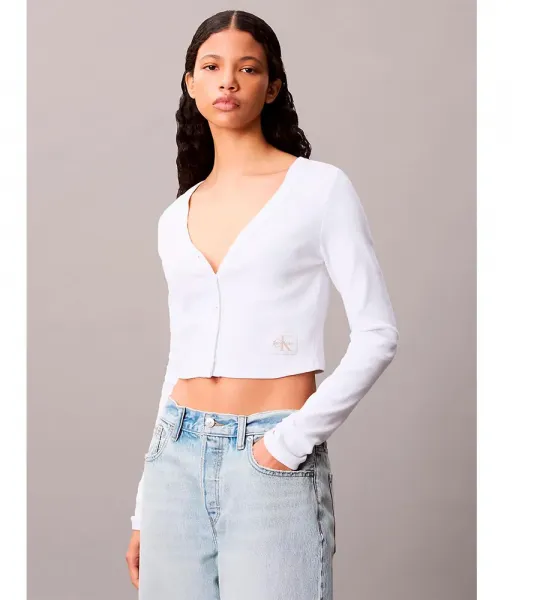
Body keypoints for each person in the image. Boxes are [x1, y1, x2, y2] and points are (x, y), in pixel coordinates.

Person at [125, 9, 399, 600]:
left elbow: (378, 333)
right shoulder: (176, 216)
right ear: (191, 83)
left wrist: (288, 444)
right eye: (211, 67)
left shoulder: (319, 189)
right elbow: (180, 359)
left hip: (272, 456)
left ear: (271, 87)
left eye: (247, 68)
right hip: (175, 459)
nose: (227, 80)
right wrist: (144, 505)